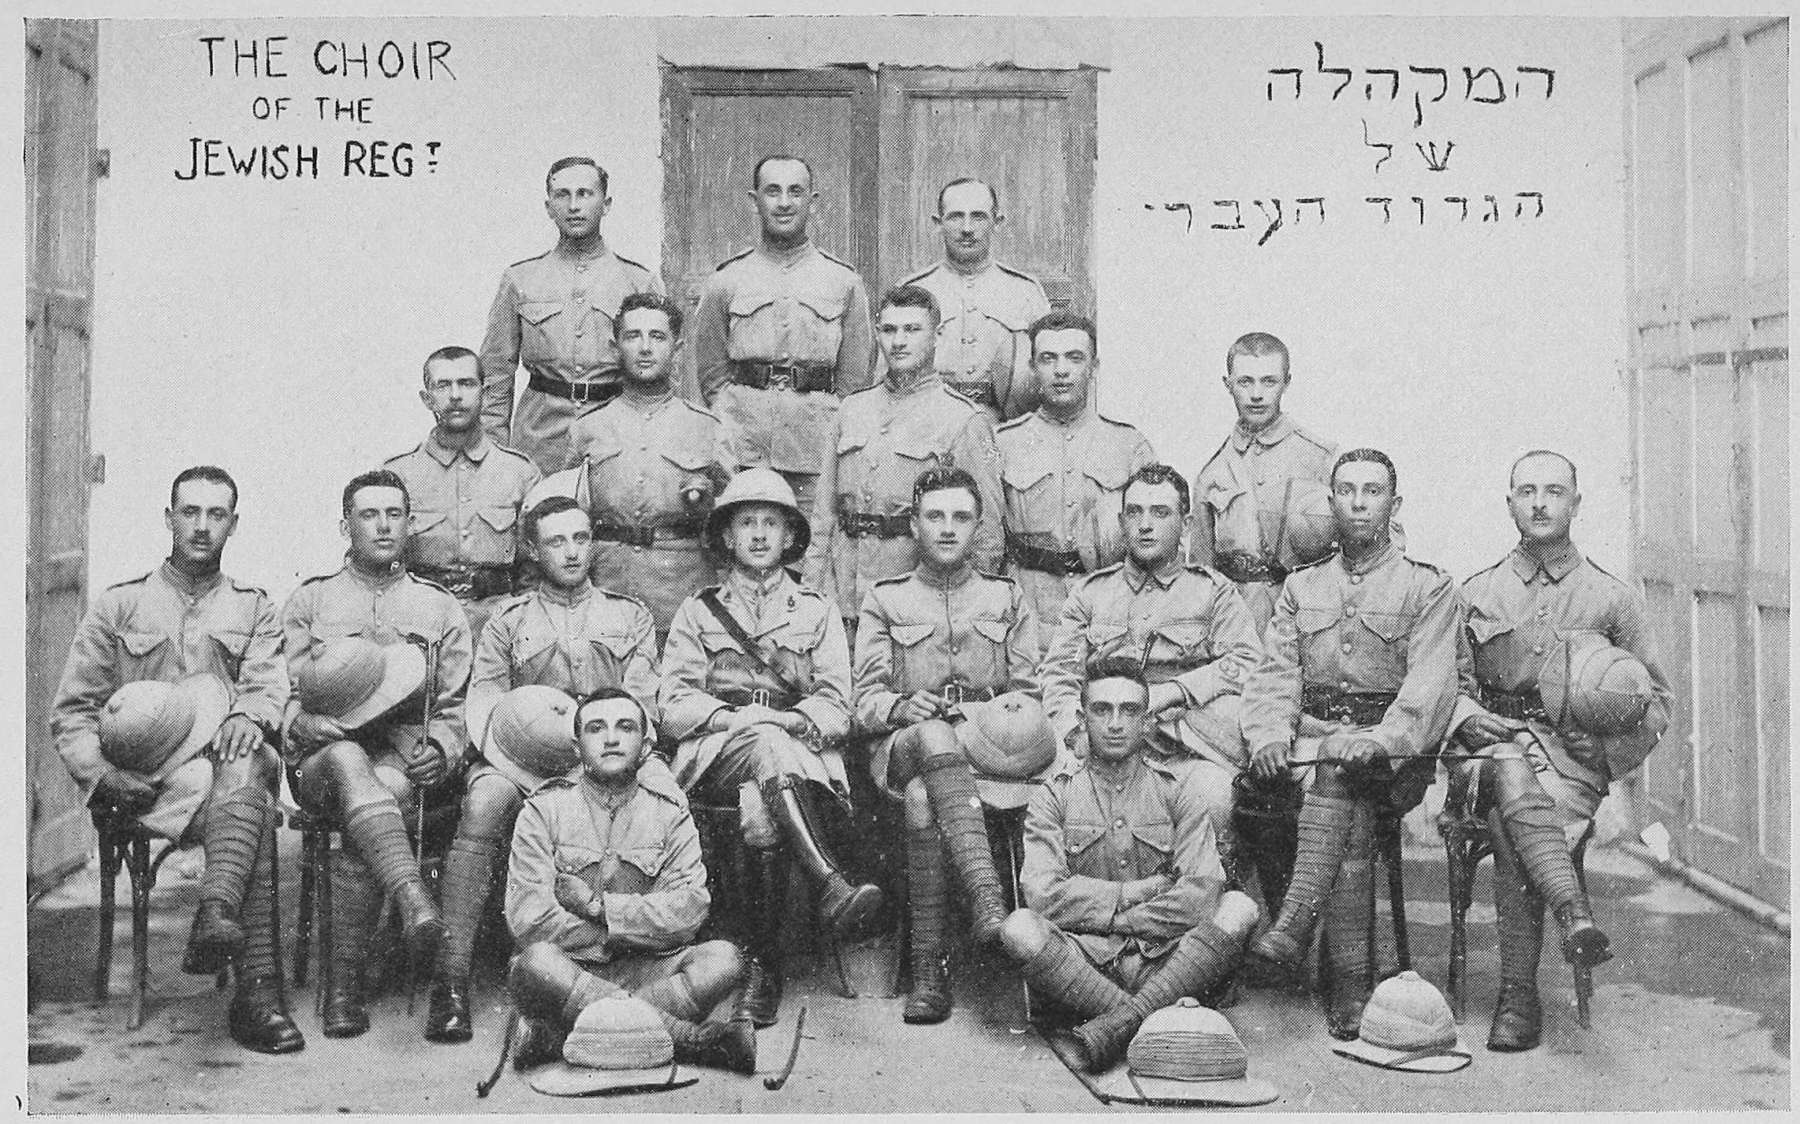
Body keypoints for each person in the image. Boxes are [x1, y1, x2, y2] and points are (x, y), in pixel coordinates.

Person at [50, 466, 301, 1053]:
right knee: (251, 809)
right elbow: (73, 711)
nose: (202, 526)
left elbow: (268, 683)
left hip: (223, 770)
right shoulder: (120, 606)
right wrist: (102, 776)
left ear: (233, 525)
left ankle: (227, 934)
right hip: (143, 785)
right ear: (169, 519)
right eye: (190, 512)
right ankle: (256, 993)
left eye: (217, 514)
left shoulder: (253, 608)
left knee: (249, 763)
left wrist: (248, 714)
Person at [1451, 450, 1672, 1051]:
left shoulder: (1611, 598)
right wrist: (1469, 720)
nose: (1540, 503)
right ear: (1509, 504)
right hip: (1487, 752)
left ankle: (1518, 996)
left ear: (1576, 503)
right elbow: (1449, 685)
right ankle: (1569, 919)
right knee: (1506, 774)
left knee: (1512, 817)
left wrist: (1604, 747)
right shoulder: (1476, 592)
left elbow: (1657, 700)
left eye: (1554, 491)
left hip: (1571, 764)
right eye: (1527, 491)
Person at [423, 491, 661, 1043]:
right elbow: (485, 701)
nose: (572, 552)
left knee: (662, 791)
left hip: (612, 755)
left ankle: (634, 966)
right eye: (556, 541)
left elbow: (644, 703)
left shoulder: (629, 615)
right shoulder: (508, 620)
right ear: (532, 550)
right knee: (485, 799)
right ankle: (451, 979)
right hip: (521, 760)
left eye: (581, 538)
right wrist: (518, 756)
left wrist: (610, 755)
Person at [1242, 449, 1458, 1041]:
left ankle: (1302, 936)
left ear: (1394, 504)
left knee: (1344, 776)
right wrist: (1269, 733)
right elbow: (1275, 673)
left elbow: (1430, 687)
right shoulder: (1302, 585)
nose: (1359, 503)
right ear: (1331, 502)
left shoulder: (1427, 587)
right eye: (1346, 491)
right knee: (1325, 785)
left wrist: (1384, 739)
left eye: (1372, 491)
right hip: (1313, 745)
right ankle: (1348, 978)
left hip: (1395, 758)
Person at [659, 467, 882, 1028]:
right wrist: (735, 719)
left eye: (771, 523)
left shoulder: (816, 610)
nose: (759, 534)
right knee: (760, 741)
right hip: (717, 751)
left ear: (790, 537)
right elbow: (673, 703)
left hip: (794, 751)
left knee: (761, 801)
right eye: (746, 523)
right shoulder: (697, 610)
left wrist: (787, 723)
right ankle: (827, 881)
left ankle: (764, 964)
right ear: (727, 537)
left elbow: (838, 703)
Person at [281, 468, 470, 1038]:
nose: (383, 526)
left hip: (399, 760)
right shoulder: (311, 600)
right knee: (346, 760)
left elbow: (456, 704)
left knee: (378, 795)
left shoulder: (438, 608)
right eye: (369, 514)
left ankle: (344, 989)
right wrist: (301, 722)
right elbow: (278, 689)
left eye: (394, 514)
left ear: (410, 524)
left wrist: (442, 747)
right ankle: (411, 896)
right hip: (320, 759)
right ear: (346, 525)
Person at [1002, 657, 1261, 1073]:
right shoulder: (1055, 796)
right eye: (1102, 710)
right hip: (1085, 963)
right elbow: (1043, 895)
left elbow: (1199, 896)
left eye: (1129, 711)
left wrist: (1114, 918)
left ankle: (1118, 1023)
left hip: (1166, 959)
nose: (1115, 724)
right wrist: (1129, 896)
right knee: (1019, 927)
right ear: (1082, 719)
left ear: (1147, 721)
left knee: (1238, 907)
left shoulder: (1178, 793)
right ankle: (1149, 1017)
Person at [853, 467, 1038, 1024]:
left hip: (988, 747)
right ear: (914, 525)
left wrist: (994, 721)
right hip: (905, 744)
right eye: (935, 516)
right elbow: (862, 699)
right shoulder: (886, 599)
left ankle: (928, 972)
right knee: (933, 735)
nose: (948, 528)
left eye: (961, 516)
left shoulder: (1006, 597)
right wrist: (898, 707)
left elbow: (1028, 690)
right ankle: (987, 899)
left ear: (978, 526)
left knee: (922, 799)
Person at [505, 688, 755, 1075]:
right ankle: (690, 1039)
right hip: (573, 969)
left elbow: (689, 910)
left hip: (652, 968)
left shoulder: (670, 813)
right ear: (576, 747)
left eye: (625, 727)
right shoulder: (543, 811)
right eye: (596, 728)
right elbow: (529, 919)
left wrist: (598, 909)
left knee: (723, 960)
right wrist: (624, 932)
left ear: (645, 745)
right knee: (535, 962)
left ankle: (560, 1037)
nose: (610, 738)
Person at [1038, 465, 1261, 874]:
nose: (1145, 524)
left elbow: (1247, 660)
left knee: (1214, 796)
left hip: (1180, 752)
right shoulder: (1090, 594)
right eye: (1135, 512)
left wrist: (1173, 691)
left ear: (1185, 525)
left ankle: (1206, 903)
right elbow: (1059, 674)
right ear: (1121, 521)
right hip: (1100, 748)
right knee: (1057, 800)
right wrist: (1073, 731)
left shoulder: (1213, 593)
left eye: (1160, 513)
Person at [806, 284, 1003, 635]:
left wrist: (960, 615)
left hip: (917, 611)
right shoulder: (851, 410)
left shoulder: (962, 419)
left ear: (936, 336)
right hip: (843, 599)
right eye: (889, 330)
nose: (898, 341)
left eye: (912, 330)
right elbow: (824, 515)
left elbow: (985, 534)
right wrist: (812, 592)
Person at [691, 153, 874, 518]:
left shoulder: (843, 282)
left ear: (813, 202)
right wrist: (733, 423)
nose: (785, 202)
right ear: (754, 200)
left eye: (796, 191)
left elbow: (855, 381)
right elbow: (712, 374)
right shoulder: (727, 280)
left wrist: (828, 431)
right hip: (743, 449)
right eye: (773, 191)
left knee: (812, 542)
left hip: (814, 450)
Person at [478, 156, 663, 471]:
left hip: (615, 436)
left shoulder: (638, 282)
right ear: (549, 207)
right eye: (562, 195)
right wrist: (493, 455)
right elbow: (496, 373)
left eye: (584, 194)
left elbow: (661, 374)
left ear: (606, 204)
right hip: (540, 438)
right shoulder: (521, 280)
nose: (574, 206)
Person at [563, 292, 729, 638]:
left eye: (657, 337)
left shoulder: (707, 428)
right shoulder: (587, 428)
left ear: (677, 349)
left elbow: (731, 524)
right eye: (632, 336)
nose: (645, 348)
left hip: (681, 596)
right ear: (615, 348)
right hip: (606, 591)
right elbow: (567, 516)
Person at [996, 312, 1154, 635]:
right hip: (1027, 615)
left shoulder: (1129, 445)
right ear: (1032, 368)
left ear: (1093, 368)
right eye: (1048, 358)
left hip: (1108, 616)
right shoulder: (1003, 443)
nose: (1061, 370)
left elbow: (1156, 543)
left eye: (1074, 357)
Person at [385, 345, 542, 638]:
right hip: (420, 625)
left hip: (499, 626)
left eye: (467, 383)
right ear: (427, 398)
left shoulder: (519, 473)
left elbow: (534, 568)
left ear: (484, 392)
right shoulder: (400, 475)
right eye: (443, 385)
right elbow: (381, 563)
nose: (455, 395)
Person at [1189, 332, 1339, 634]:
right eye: (1245, 382)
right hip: (1236, 624)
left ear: (1287, 382)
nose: (1256, 394)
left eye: (1269, 381)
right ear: (1228, 384)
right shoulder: (1212, 472)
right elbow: (1202, 573)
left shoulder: (1320, 458)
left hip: (1306, 620)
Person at [892, 177, 1051, 420]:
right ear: (938, 224)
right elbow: (887, 379)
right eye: (955, 217)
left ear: (997, 222)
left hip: (1003, 427)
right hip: (929, 425)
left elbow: (1049, 369)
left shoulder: (1025, 292)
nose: (967, 228)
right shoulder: (914, 290)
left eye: (978, 217)